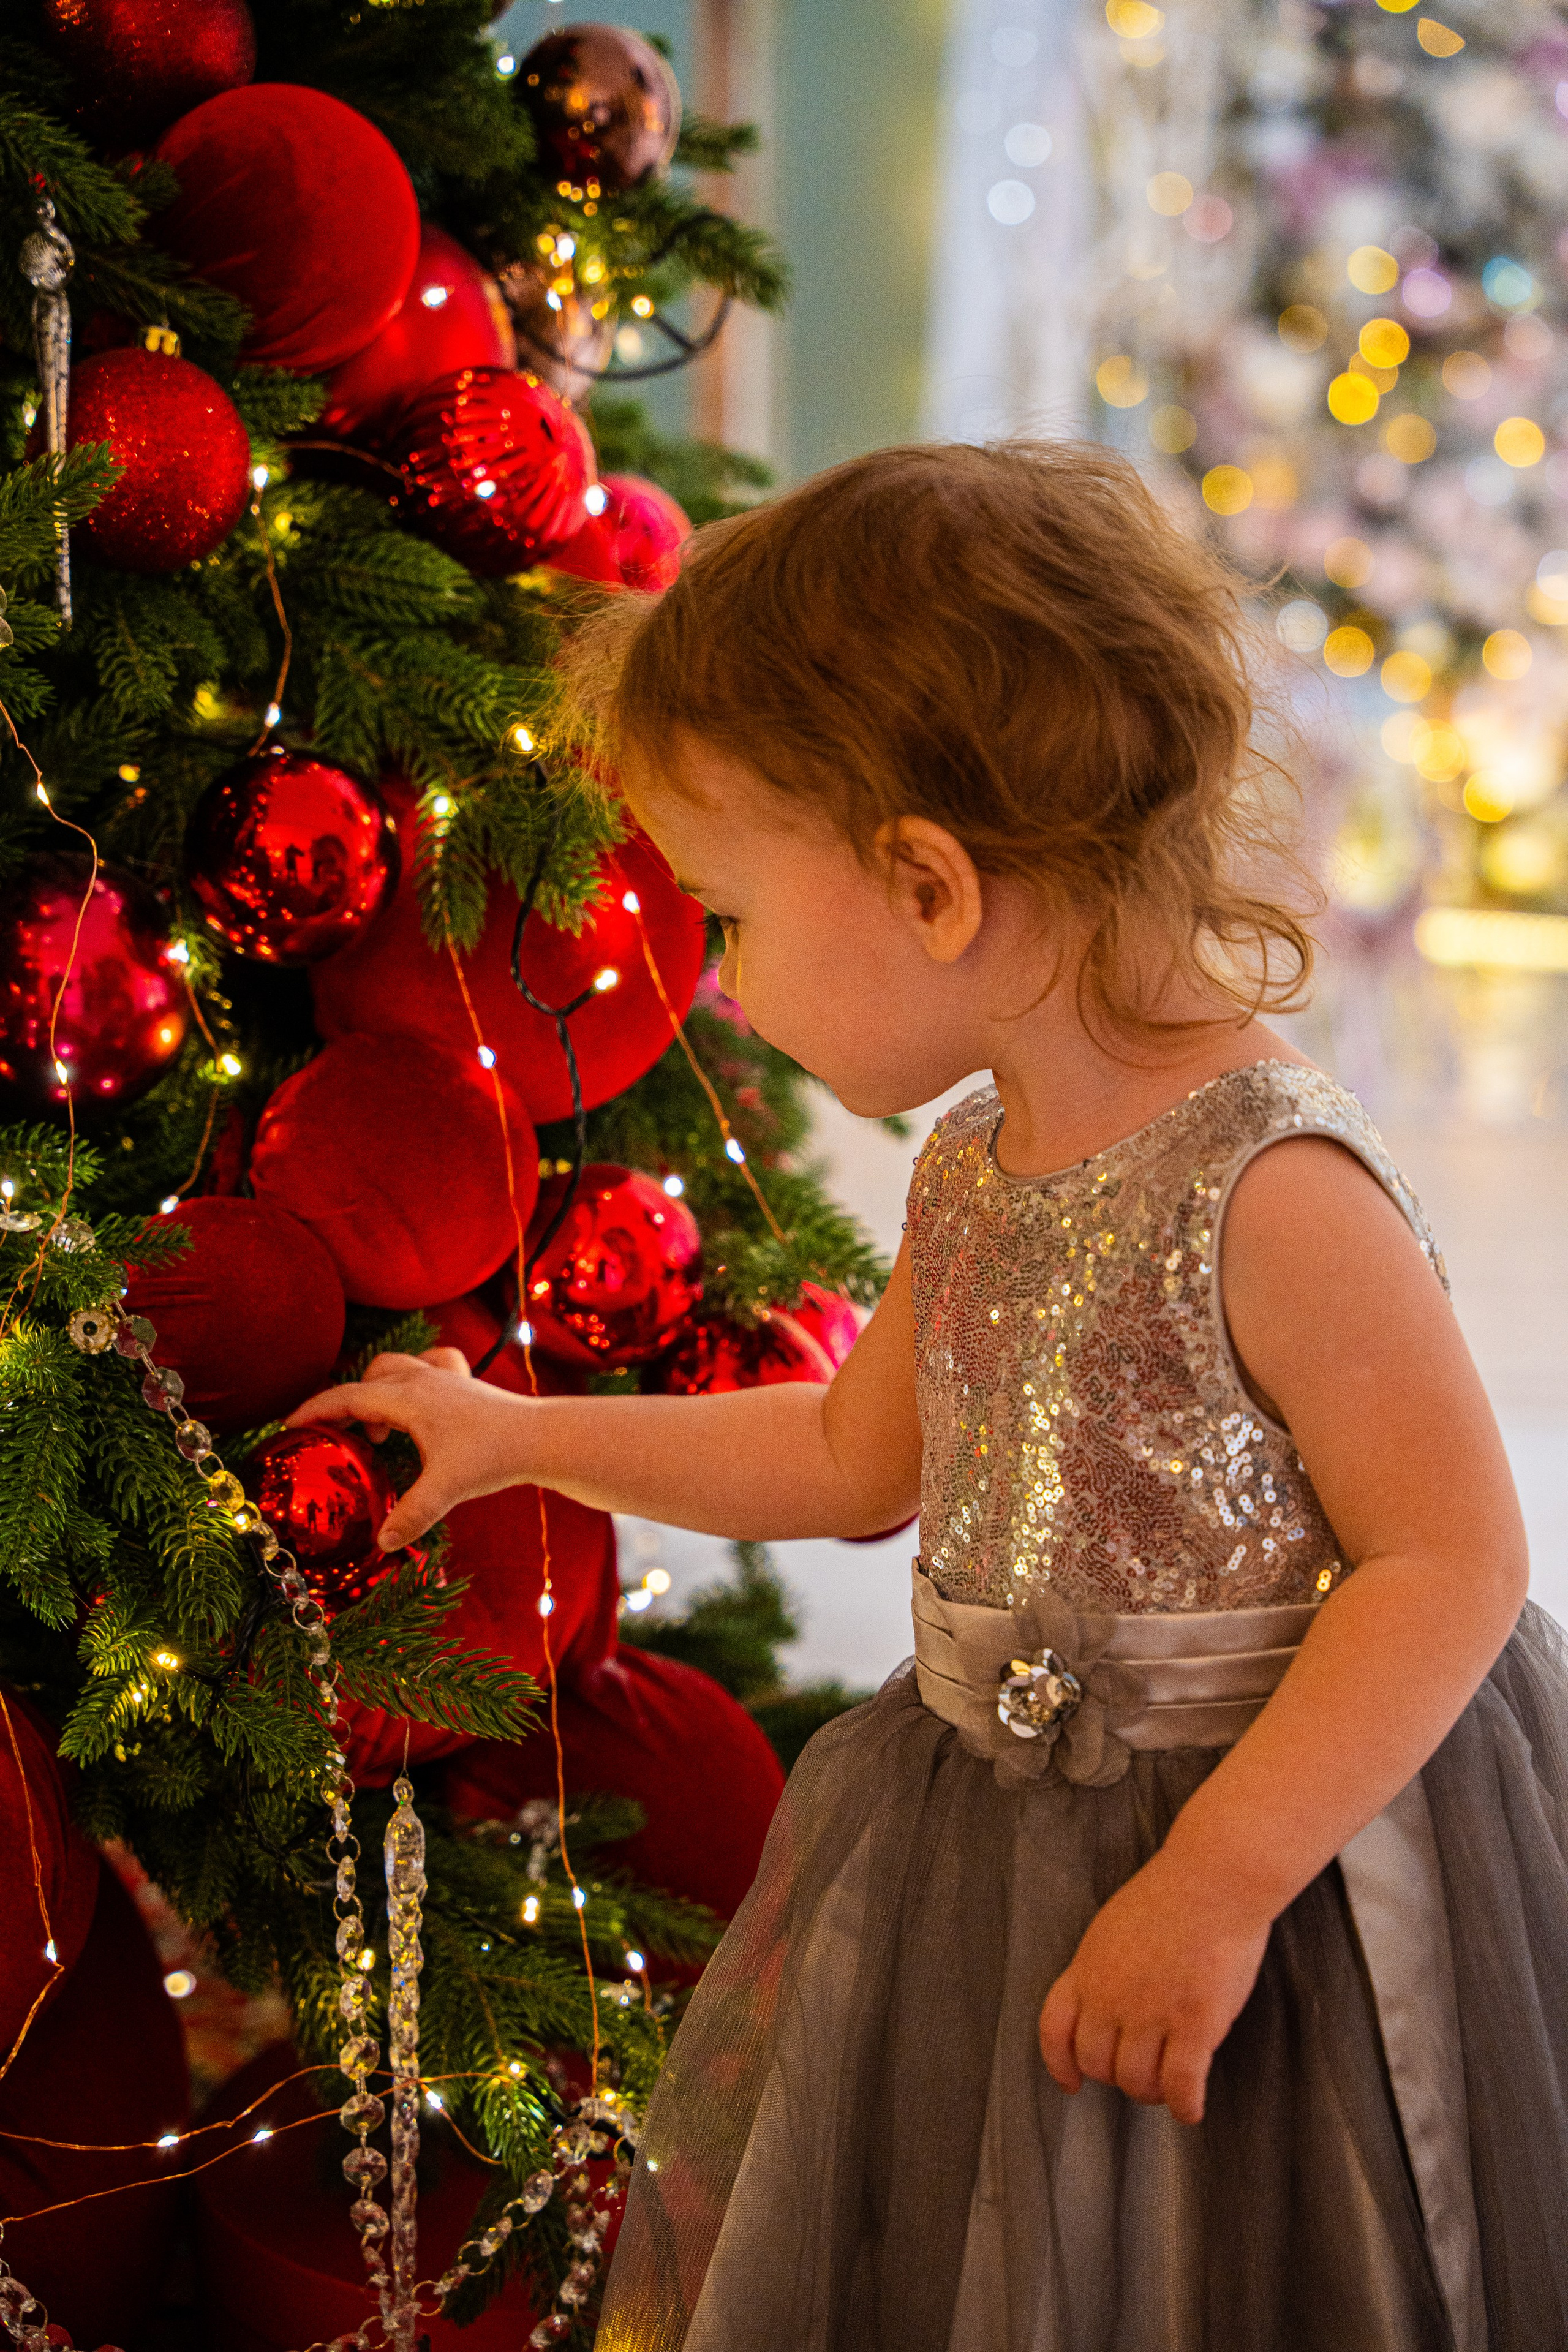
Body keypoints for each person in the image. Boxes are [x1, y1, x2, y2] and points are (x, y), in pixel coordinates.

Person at [290, 442, 1568, 2351]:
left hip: (1265, 1888)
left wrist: (1217, 1887)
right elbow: (843, 1451)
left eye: (731, 910)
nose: (718, 974)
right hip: (993, 1857)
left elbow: (1450, 1565)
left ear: (929, 886)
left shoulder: (1273, 1189)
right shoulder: (981, 1160)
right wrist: (519, 1434)